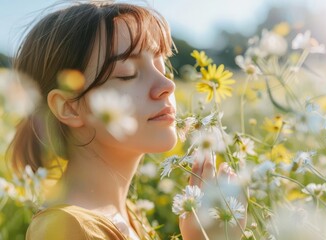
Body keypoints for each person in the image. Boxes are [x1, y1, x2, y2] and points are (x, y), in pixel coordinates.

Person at [7, 2, 244, 239]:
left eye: (162, 67)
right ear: (70, 107)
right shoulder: (64, 229)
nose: (167, 86)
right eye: (127, 74)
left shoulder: (125, 215)